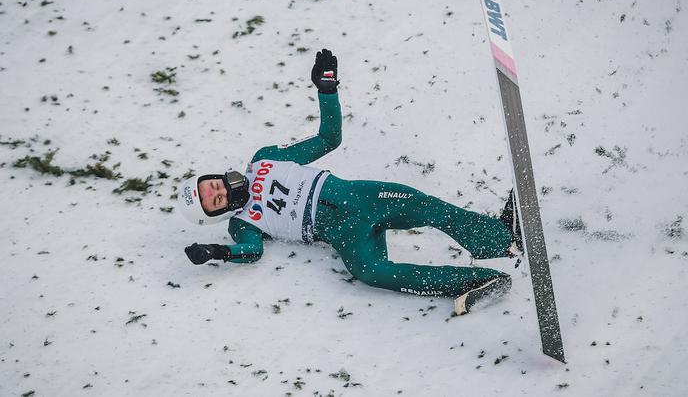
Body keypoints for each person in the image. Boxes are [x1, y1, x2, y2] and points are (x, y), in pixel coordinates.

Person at [178, 49, 523, 315]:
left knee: (425, 206)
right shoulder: (242, 225)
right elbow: (250, 252)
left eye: (212, 185)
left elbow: (328, 138)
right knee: (370, 272)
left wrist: (326, 90)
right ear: (217, 214)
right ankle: (481, 282)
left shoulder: (264, 159)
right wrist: (218, 252)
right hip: (343, 234)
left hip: (363, 196)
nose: (220, 190)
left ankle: (500, 239)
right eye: (215, 200)